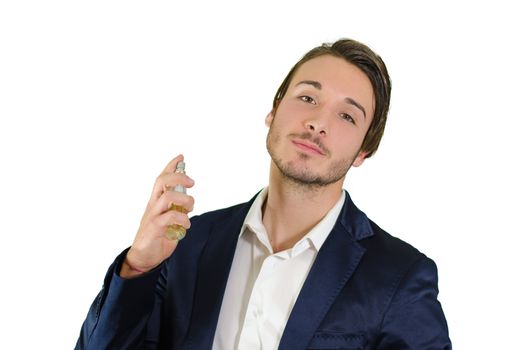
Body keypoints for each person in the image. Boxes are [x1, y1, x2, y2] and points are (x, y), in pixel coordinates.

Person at [75, 38, 451, 349]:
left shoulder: (399, 277)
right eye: (307, 98)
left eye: (347, 116)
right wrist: (139, 266)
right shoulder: (186, 245)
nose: (318, 122)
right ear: (273, 111)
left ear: (364, 152)